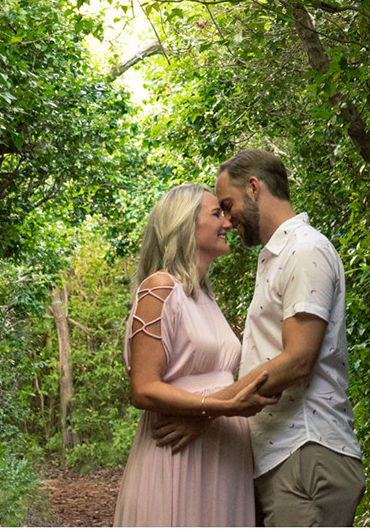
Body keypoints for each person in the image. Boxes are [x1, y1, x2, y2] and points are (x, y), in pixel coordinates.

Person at [157, 148, 364, 525]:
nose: (227, 218)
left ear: (253, 187)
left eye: (227, 203)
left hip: (306, 449)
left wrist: (206, 412)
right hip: (280, 454)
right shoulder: (276, 258)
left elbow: (297, 360)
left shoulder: (305, 250)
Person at [111, 183, 274, 526]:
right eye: (216, 214)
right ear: (185, 224)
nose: (228, 222)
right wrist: (221, 408)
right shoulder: (159, 288)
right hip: (178, 455)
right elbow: (143, 388)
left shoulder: (204, 297)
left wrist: (218, 414)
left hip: (224, 456)